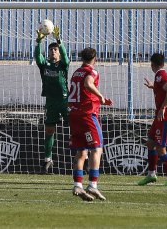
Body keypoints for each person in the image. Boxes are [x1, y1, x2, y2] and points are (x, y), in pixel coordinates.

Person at [68, 47, 113, 201]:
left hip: (74, 114)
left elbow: (78, 92)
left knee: (81, 152)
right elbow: (88, 84)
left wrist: (100, 100)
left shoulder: (75, 73)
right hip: (87, 115)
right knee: (97, 149)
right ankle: (92, 185)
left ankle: (77, 185)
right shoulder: (91, 72)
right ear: (95, 59)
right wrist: (99, 95)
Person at [138, 53, 167, 187]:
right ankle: (151, 174)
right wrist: (153, 86)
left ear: (152, 64)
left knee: (161, 148)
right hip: (160, 117)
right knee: (150, 143)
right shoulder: (162, 75)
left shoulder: (161, 75)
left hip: (166, 117)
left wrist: (163, 108)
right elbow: (164, 89)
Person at [35, 25, 70, 174]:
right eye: (51, 50)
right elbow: (38, 57)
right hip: (51, 101)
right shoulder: (45, 65)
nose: (53, 51)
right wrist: (39, 42)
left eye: (55, 50)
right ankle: (47, 160)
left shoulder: (63, 65)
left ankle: (84, 157)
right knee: (49, 130)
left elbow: (67, 59)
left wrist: (59, 41)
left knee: (75, 128)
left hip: (64, 101)